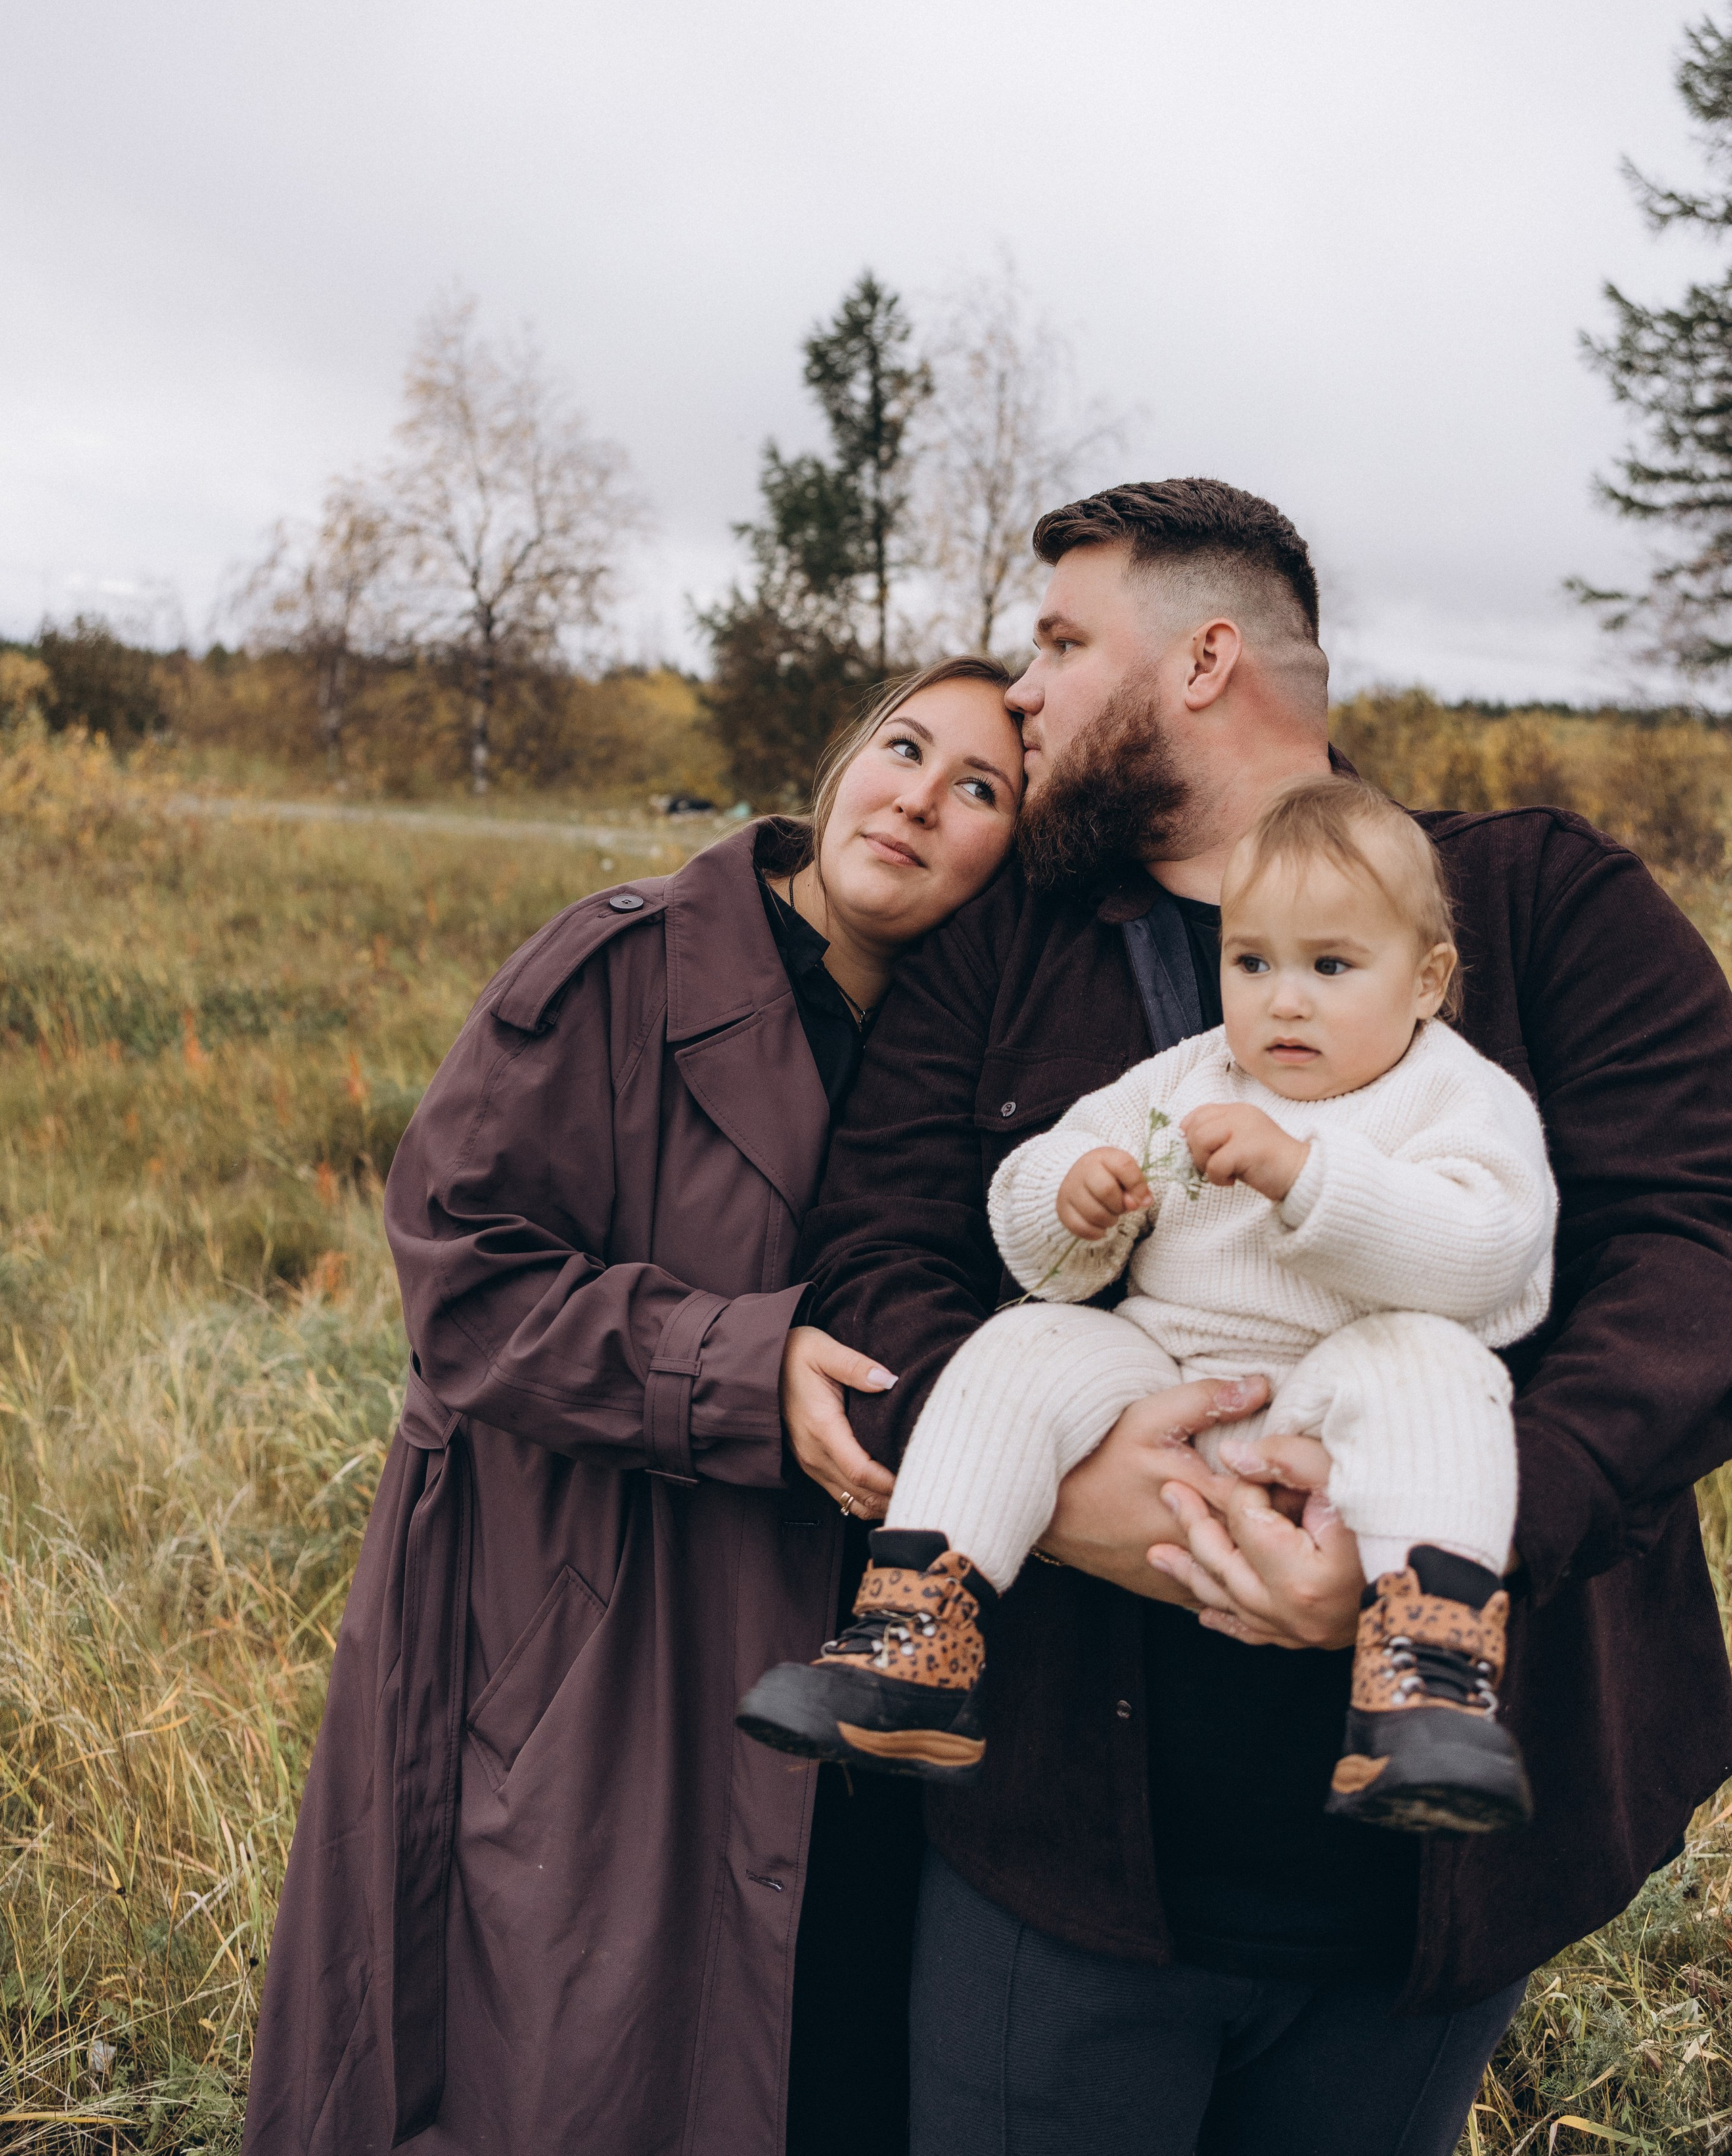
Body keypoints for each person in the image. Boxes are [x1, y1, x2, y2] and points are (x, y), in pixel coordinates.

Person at [792, 478, 1732, 2156]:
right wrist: (1071, 1499)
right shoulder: (1001, 950)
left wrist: (1469, 1532)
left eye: (1063, 642)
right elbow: (872, 1248)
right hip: (1061, 1859)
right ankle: (906, 1637)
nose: (1020, 689)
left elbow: (1699, 1245)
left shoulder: (1532, 908)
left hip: (1432, 1893)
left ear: (1206, 659)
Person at [241, 655, 1023, 2156]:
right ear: (841, 761)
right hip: (596, 1633)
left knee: (813, 2066)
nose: (920, 796)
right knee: (556, 2069)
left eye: (979, 788)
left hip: (868, 1652)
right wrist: (739, 1364)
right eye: (905, 746)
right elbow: (461, 1277)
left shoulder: (976, 1055)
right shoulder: (620, 969)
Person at [739, 775, 1554, 1839]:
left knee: (1445, 1377)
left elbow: (1488, 1253)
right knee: (1027, 1341)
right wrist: (1074, 1200)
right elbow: (1050, 1194)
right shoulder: (1191, 1072)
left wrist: (1307, 1176)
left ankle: (1430, 1686)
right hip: (1168, 1370)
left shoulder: (1456, 1091)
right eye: (1252, 961)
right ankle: (919, 1635)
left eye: (1331, 965)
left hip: (1347, 1391)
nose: (1285, 999)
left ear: (1427, 979)